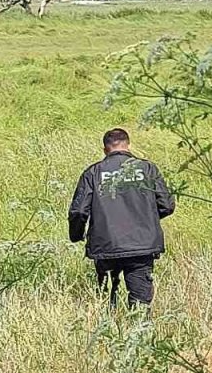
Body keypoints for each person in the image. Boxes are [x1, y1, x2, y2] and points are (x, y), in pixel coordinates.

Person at [68, 128, 175, 308]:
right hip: (141, 246)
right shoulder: (147, 169)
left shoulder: (93, 173)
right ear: (128, 145)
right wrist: (146, 220)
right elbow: (167, 205)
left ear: (105, 149)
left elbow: (79, 211)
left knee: (108, 301)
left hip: (106, 245)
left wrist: (77, 235)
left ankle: (110, 330)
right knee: (140, 304)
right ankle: (139, 333)